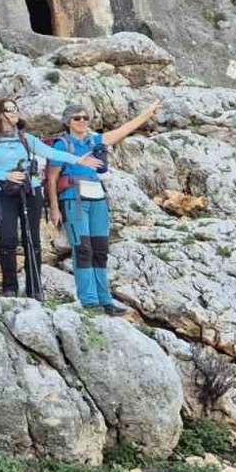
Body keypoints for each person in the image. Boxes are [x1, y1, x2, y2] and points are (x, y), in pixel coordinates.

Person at [0, 99, 103, 298]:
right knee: (8, 239)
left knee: (32, 238)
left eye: (16, 109)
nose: (14, 112)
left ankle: (35, 288)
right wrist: (6, 175)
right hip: (4, 193)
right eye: (9, 109)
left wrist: (79, 159)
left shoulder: (26, 138)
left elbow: (51, 152)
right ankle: (10, 288)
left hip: (31, 190)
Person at [49, 101, 161, 315]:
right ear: (68, 122)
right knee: (83, 249)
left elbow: (123, 130)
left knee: (100, 249)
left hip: (97, 197)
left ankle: (105, 299)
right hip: (74, 198)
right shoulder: (62, 145)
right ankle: (89, 301)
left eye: (85, 117)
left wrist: (147, 113)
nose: (82, 121)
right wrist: (54, 208)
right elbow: (52, 178)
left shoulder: (94, 141)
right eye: (77, 118)